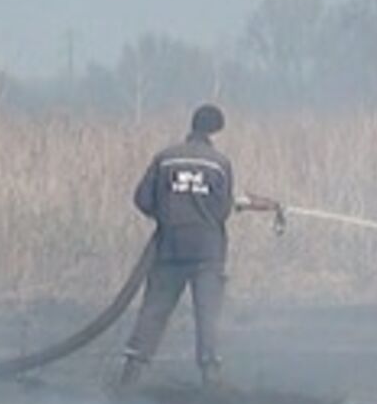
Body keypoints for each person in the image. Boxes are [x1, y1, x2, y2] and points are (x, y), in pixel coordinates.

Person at [118, 104, 281, 389]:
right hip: (207, 251)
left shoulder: (165, 158)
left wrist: (168, 215)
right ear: (215, 131)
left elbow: (143, 199)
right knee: (208, 313)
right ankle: (210, 377)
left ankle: (131, 375)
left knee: (154, 310)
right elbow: (222, 209)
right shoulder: (219, 163)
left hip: (168, 248)